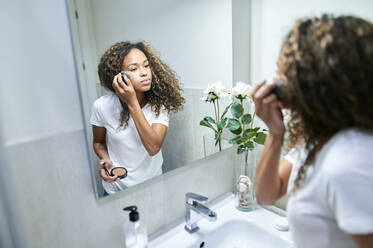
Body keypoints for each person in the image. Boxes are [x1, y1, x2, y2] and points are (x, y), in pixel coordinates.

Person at [252, 15, 373, 247]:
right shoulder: (316, 141)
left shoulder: (349, 159)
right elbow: (266, 194)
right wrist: (275, 133)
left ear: (313, 83)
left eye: (284, 75)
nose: (276, 82)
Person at [90, 41, 184, 194]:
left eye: (146, 66)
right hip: (116, 190)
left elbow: (153, 148)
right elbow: (98, 142)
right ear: (117, 76)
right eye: (134, 68)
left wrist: (132, 102)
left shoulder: (159, 106)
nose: (144, 72)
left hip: (153, 187)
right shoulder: (101, 106)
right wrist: (105, 160)